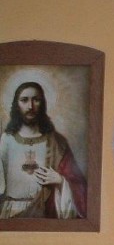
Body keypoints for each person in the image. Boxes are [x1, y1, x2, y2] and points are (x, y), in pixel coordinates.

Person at [0, 81, 87, 218]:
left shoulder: (56, 142)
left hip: (45, 214)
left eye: (36, 100)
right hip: (10, 213)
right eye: (24, 100)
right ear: (16, 104)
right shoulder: (6, 139)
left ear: (43, 103)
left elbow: (79, 184)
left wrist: (61, 181)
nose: (30, 106)